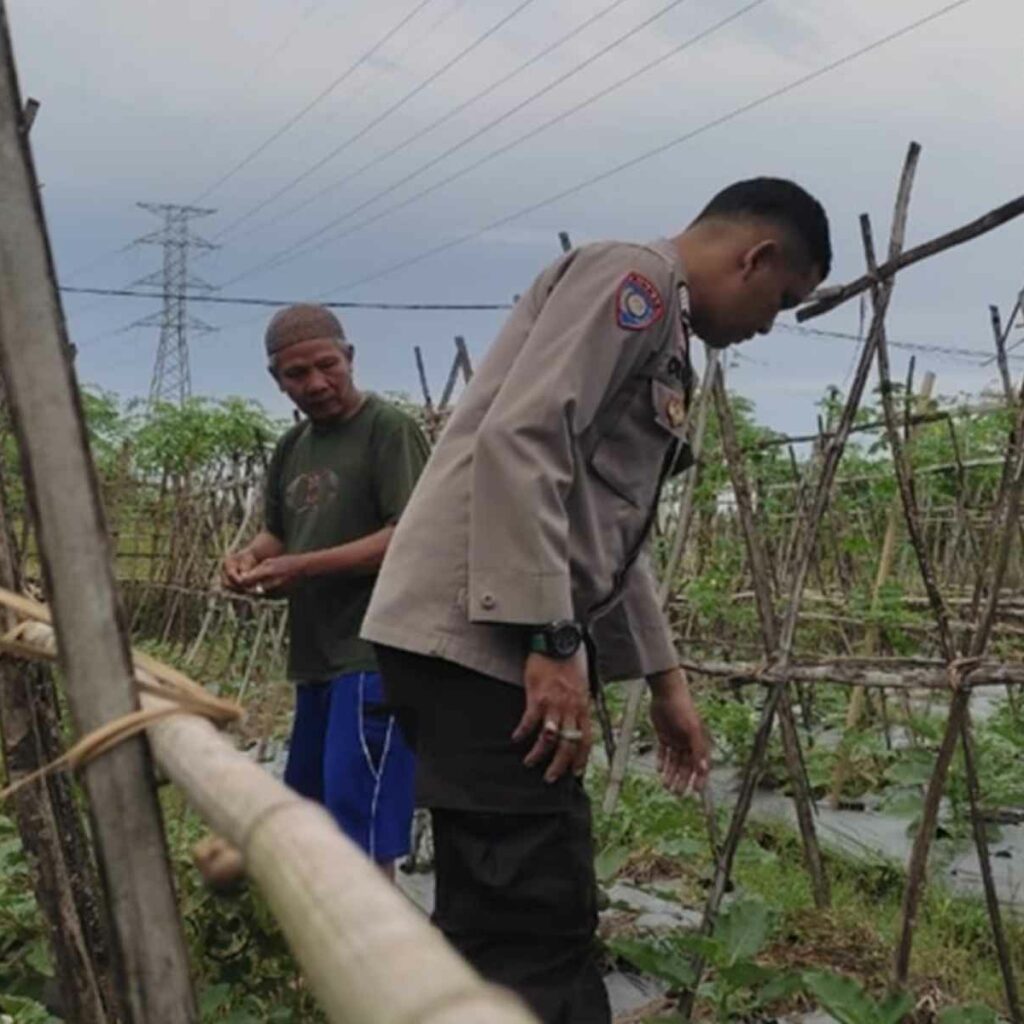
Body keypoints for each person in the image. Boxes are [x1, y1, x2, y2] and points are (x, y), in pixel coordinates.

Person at [361, 179, 832, 1021]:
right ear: (755, 257)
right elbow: (525, 438)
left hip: (482, 630)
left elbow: (604, 531)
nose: (767, 324)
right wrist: (549, 638)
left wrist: (667, 682)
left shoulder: (664, 332)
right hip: (480, 632)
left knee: (511, 903)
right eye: (781, 301)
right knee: (534, 913)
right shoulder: (635, 286)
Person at [222, 303, 430, 876]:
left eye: (326, 365)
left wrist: (301, 568)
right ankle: (326, 956)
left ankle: (375, 958)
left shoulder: (388, 431)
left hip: (373, 655)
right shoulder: (293, 448)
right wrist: (247, 560)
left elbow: (407, 540)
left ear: (350, 357)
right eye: (296, 374)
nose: (315, 383)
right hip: (315, 658)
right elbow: (276, 534)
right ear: (276, 380)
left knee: (356, 827)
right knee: (312, 818)